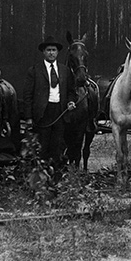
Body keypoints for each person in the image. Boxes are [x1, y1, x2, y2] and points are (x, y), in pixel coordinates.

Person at [23, 36, 76, 165]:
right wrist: (29, 118)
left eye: (54, 50)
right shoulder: (34, 71)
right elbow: (27, 95)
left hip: (60, 112)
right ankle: (41, 179)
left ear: (57, 52)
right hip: (42, 114)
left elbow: (71, 91)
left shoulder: (65, 70)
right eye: (48, 50)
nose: (51, 52)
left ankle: (55, 177)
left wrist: (70, 101)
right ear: (43, 52)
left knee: (57, 146)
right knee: (42, 146)